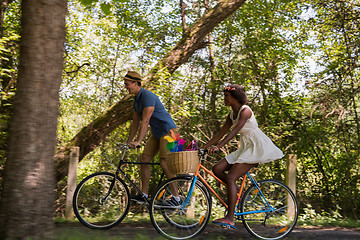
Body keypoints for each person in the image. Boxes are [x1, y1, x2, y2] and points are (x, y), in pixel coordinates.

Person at [202, 84, 284, 229]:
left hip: (256, 147)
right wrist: (203, 147)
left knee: (231, 177)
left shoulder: (245, 111)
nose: (224, 99)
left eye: (226, 96)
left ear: (235, 98)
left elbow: (234, 132)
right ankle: (236, 190)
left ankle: (230, 218)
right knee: (217, 169)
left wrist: (219, 147)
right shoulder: (231, 114)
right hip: (246, 147)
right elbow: (220, 133)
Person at [124, 70, 180, 205]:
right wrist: (129, 142)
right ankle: (144, 194)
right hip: (158, 133)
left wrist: (139, 141)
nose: (125, 87)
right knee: (144, 158)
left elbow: (145, 120)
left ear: (136, 83)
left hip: (170, 132)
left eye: (127, 84)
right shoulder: (136, 101)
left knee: (164, 162)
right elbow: (135, 123)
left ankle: (177, 198)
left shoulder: (147, 96)